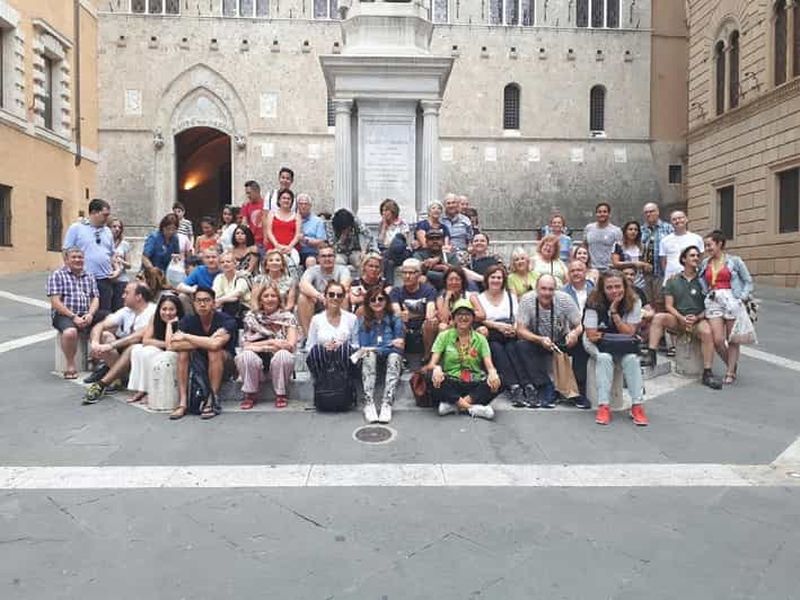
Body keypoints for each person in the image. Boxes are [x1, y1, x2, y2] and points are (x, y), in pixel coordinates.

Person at [645, 246, 722, 389]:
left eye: (697, 256)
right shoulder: (673, 280)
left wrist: (698, 317)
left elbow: (711, 305)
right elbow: (669, 305)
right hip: (678, 319)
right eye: (692, 256)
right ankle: (651, 354)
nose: (696, 258)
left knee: (707, 332)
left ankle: (707, 372)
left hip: (698, 320)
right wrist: (681, 318)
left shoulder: (704, 280)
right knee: (659, 317)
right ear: (683, 259)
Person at [583, 270, 647, 426]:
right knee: (604, 358)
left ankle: (637, 405)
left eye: (618, 286)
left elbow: (630, 331)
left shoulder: (634, 301)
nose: (614, 291)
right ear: (602, 289)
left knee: (632, 359)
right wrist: (619, 334)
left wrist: (614, 313)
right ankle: (604, 405)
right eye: (609, 287)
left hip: (622, 343)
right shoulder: (593, 301)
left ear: (625, 286)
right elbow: (591, 335)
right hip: (597, 344)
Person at [516, 275, 590, 409]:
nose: (547, 293)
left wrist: (574, 333)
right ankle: (545, 386)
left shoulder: (564, 299)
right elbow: (520, 330)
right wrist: (539, 339)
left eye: (551, 289)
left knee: (582, 343)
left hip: (561, 339)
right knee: (521, 345)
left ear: (555, 290)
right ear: (536, 289)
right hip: (538, 340)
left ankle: (578, 389)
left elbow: (580, 324)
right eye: (543, 289)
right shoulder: (527, 300)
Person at [168, 287, 238, 420]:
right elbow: (174, 344)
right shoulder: (188, 320)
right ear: (193, 303)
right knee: (183, 352)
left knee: (214, 351)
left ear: (213, 303)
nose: (202, 304)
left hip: (226, 364)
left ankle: (212, 400)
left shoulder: (226, 320)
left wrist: (187, 337)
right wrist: (206, 341)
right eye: (198, 301)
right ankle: (183, 402)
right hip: (199, 364)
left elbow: (215, 345)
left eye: (206, 300)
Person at [82, 282, 156, 404]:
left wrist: (110, 346)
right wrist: (95, 343)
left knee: (133, 346)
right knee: (105, 335)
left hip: (144, 353)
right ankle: (120, 378)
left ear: (139, 296)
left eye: (127, 293)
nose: (122, 296)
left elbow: (137, 337)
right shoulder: (126, 310)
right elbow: (100, 325)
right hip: (124, 351)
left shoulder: (152, 311)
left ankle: (102, 384)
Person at [428, 299, 501, 420]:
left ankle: (454, 405)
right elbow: (432, 363)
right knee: (429, 375)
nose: (463, 318)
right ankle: (472, 408)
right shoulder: (444, 336)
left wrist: (493, 373)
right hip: (452, 380)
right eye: (459, 314)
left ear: (473, 318)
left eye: (467, 314)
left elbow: (489, 365)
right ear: (454, 318)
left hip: (473, 382)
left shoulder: (480, 339)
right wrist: (436, 368)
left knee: (501, 380)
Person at [699, 230, 754, 385]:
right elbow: (701, 280)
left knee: (732, 339)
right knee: (717, 339)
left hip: (731, 298)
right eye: (706, 245)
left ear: (720, 244)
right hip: (713, 300)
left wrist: (742, 298)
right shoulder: (705, 263)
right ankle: (732, 364)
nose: (707, 248)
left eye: (709, 245)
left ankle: (730, 372)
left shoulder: (734, 261)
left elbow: (748, 281)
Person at [235, 282, 298, 410]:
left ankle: (281, 393)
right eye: (266, 296)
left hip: (279, 364)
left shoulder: (288, 318)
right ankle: (250, 394)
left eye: (273, 296)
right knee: (246, 355)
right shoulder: (251, 318)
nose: (270, 299)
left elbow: (290, 345)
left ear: (279, 299)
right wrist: (271, 343)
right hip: (257, 363)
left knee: (283, 355)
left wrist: (258, 345)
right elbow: (246, 345)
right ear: (260, 300)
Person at [476, 265, 530, 406]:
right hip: (491, 333)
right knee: (497, 349)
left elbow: (518, 317)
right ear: (487, 279)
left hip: (509, 332)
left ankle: (527, 385)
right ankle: (514, 387)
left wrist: (514, 328)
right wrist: (498, 326)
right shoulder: (480, 298)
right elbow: (479, 319)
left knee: (513, 348)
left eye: (499, 277)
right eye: (493, 277)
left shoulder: (510, 296)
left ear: (503, 280)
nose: (496, 280)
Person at [47, 248, 100, 379]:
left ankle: (95, 357)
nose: (78, 260)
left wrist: (91, 314)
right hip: (64, 314)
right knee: (70, 332)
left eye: (80, 257)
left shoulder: (89, 275)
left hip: (86, 313)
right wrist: (73, 317)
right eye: (74, 257)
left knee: (109, 321)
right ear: (66, 260)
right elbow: (55, 302)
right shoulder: (57, 275)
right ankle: (70, 365)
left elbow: (95, 298)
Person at [355, 287, 405, 423]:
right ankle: (369, 403)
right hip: (370, 359)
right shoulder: (363, 321)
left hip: (391, 358)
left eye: (380, 299)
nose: (377, 302)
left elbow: (400, 346)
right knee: (369, 356)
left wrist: (379, 348)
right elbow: (364, 347)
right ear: (368, 303)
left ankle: (387, 403)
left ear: (386, 301)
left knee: (394, 357)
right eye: (373, 300)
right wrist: (389, 344)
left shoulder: (395, 319)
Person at [126, 293, 184, 405]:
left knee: (148, 353)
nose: (167, 313)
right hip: (162, 349)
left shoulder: (181, 321)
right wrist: (161, 344)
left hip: (173, 354)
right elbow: (146, 340)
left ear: (177, 310)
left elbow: (170, 346)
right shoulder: (155, 317)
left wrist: (169, 325)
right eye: (164, 309)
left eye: (171, 309)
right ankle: (141, 389)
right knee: (137, 349)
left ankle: (150, 391)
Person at [63, 198, 115, 313]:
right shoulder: (76, 228)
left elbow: (111, 254)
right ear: (93, 213)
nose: (107, 218)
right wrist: (70, 274)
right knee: (84, 311)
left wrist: (115, 270)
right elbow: (66, 252)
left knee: (104, 313)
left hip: (104, 278)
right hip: (83, 279)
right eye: (105, 215)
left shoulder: (107, 231)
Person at [305, 281, 358, 381]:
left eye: (339, 295)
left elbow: (356, 345)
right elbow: (309, 347)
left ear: (343, 298)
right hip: (322, 361)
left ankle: (344, 383)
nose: (335, 298)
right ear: (325, 296)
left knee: (345, 349)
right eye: (331, 294)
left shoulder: (352, 318)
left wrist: (340, 345)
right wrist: (324, 347)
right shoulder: (316, 319)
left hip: (344, 360)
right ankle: (322, 384)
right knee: (317, 351)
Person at [297, 243, 352, 333]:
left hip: (336, 300)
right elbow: (303, 285)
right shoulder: (312, 270)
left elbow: (344, 286)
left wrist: (329, 298)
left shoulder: (343, 269)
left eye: (330, 256)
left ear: (335, 258)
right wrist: (319, 296)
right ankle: (309, 337)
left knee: (345, 297)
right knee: (303, 298)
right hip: (318, 302)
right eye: (323, 256)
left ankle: (341, 333)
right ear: (318, 259)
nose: (327, 259)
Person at [390, 258, 439, 357]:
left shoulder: (429, 290)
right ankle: (400, 357)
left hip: (422, 328)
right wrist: (405, 315)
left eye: (411, 273)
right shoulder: (396, 291)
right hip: (404, 328)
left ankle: (427, 356)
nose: (407, 276)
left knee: (431, 322)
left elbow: (430, 314)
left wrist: (410, 315)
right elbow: (398, 314)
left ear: (419, 274)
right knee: (398, 322)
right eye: (404, 273)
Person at [641, 202, 674, 306]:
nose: (649, 214)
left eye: (651, 211)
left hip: (661, 272)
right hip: (644, 274)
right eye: (646, 212)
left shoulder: (668, 228)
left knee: (661, 302)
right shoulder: (641, 230)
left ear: (658, 212)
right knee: (647, 303)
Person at [659, 211, 705, 284]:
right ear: (671, 222)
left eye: (680, 218)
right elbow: (663, 262)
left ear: (686, 219)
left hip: (692, 279)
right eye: (674, 219)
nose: (677, 221)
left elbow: (701, 259)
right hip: (671, 279)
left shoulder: (697, 238)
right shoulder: (664, 241)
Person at [435, 266, 484, 331]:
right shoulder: (441, 298)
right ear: (446, 281)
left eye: (457, 279)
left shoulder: (470, 296)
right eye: (450, 279)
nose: (454, 282)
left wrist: (461, 316)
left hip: (469, 326)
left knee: (483, 330)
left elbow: (482, 315)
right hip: (450, 328)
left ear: (462, 281)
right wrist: (447, 299)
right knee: (442, 326)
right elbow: (444, 320)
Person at [264, 188, 302, 270]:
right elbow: (269, 231)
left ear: (292, 201)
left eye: (289, 199)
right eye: (284, 198)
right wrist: (277, 245)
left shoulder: (297, 216)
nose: (286, 200)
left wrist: (289, 247)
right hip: (273, 247)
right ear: (279, 200)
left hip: (291, 249)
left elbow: (297, 235)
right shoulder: (272, 214)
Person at [176, 246, 222, 312]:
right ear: (203, 259)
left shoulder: (224, 270)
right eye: (207, 257)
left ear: (219, 258)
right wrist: (193, 290)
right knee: (182, 296)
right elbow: (180, 286)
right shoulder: (199, 270)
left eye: (214, 257)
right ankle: (191, 320)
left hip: (218, 302)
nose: (211, 260)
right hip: (200, 300)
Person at [377, 198, 411, 282]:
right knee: (389, 263)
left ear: (393, 211)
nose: (384, 213)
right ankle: (389, 287)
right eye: (383, 211)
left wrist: (391, 245)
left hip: (402, 253)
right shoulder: (381, 225)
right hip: (388, 253)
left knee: (397, 238)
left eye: (386, 210)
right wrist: (384, 227)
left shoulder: (402, 223)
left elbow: (404, 241)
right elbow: (380, 243)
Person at [583, 202, 623, 273]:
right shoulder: (588, 228)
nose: (602, 214)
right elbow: (585, 246)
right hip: (592, 269)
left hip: (610, 270)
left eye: (605, 212)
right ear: (596, 214)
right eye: (599, 212)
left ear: (609, 214)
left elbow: (619, 251)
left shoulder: (616, 231)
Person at [612, 220, 650, 293]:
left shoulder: (642, 246)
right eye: (630, 229)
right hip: (623, 279)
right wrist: (633, 263)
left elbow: (645, 262)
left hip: (639, 280)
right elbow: (615, 263)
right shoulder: (618, 245)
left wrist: (646, 265)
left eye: (636, 230)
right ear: (625, 231)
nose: (633, 232)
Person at [212, 252, 251, 322]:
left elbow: (237, 294)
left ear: (235, 264)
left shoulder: (243, 275)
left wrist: (220, 300)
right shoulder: (219, 277)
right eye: (222, 262)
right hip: (223, 307)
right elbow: (215, 294)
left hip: (243, 309)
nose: (225, 264)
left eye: (228, 262)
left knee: (232, 302)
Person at [297, 193, 327, 267]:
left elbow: (321, 242)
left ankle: (310, 278)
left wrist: (305, 240)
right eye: (301, 204)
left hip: (311, 252)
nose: (303, 206)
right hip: (294, 251)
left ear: (310, 206)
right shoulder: (292, 219)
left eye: (306, 204)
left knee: (310, 261)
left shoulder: (318, 221)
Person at [109, 218, 131, 311]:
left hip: (121, 280)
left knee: (119, 308)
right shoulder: (105, 242)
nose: (117, 229)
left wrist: (121, 261)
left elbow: (129, 265)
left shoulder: (125, 244)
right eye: (114, 226)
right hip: (108, 279)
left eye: (119, 227)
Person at [239, 180, 266, 252]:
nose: (248, 196)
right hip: (252, 242)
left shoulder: (266, 204)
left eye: (249, 193)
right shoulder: (246, 205)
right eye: (246, 193)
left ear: (257, 191)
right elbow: (243, 224)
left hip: (265, 241)